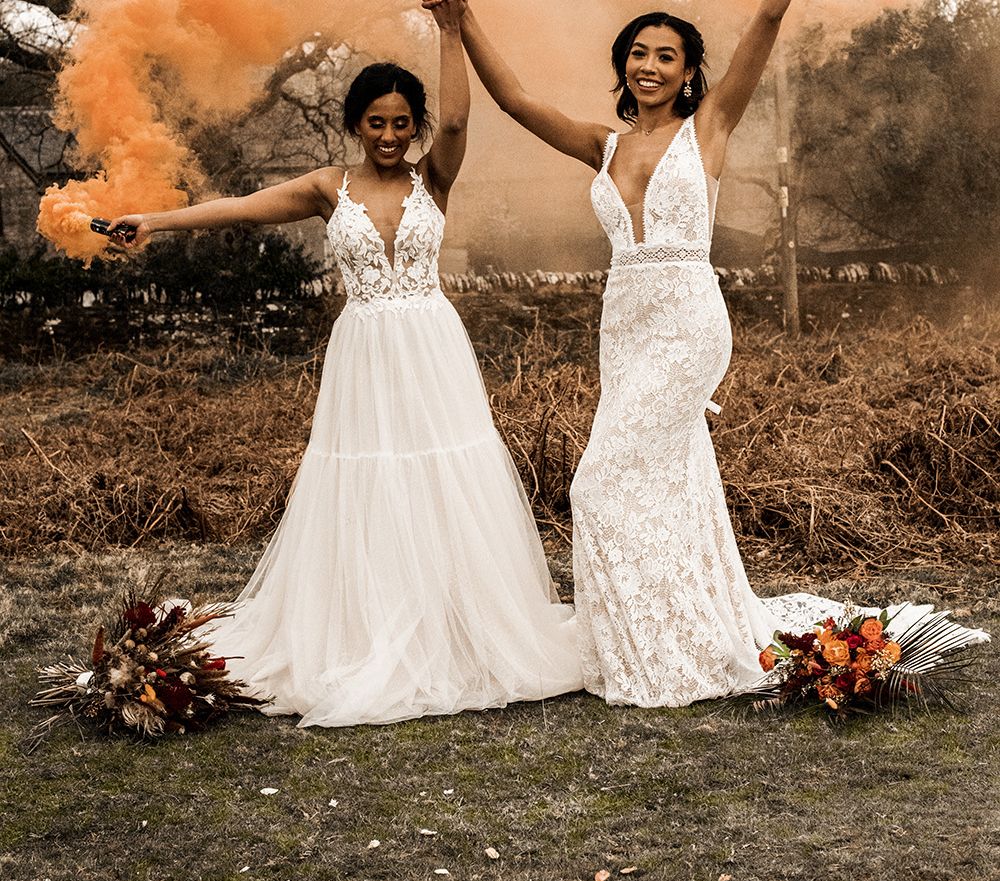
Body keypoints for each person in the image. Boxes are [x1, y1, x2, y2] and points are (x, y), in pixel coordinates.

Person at [434, 0, 986, 706]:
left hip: (688, 325)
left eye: (666, 56)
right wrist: (460, 19)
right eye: (639, 53)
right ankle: (672, 624)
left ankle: (659, 644)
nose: (650, 66)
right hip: (625, 329)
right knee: (665, 482)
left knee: (596, 483)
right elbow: (514, 100)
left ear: (689, 72)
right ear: (623, 66)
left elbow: (766, 23)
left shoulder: (709, 127)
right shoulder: (602, 146)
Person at [109, 0, 582, 727]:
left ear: (415, 128)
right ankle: (372, 622)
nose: (390, 136)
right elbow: (241, 206)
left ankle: (452, 621)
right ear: (356, 124)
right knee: (370, 474)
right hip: (364, 354)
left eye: (402, 124)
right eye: (376, 123)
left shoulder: (434, 178)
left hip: (432, 347)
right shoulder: (329, 188)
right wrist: (155, 222)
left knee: (443, 472)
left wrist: (451, 28)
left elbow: (459, 122)